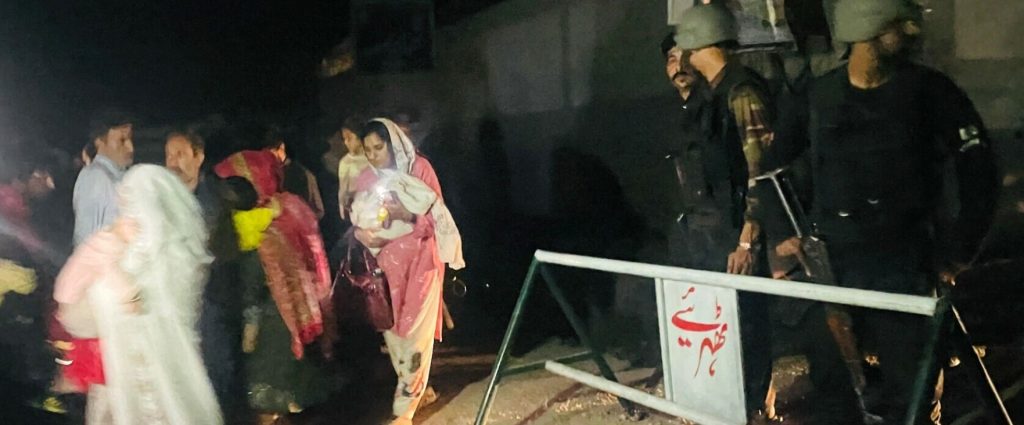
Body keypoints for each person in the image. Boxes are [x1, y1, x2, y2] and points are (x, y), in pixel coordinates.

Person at [774, 0, 1000, 422]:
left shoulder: (930, 91)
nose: (912, 33)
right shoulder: (818, 96)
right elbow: (772, 170)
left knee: (912, 394)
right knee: (832, 388)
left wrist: (958, 251)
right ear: (868, 30)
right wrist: (782, 235)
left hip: (905, 264)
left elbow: (979, 171)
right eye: (900, 25)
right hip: (835, 265)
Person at [54, 165, 222, 425]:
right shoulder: (181, 258)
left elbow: (78, 318)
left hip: (132, 386)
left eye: (129, 202)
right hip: (176, 378)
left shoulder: (129, 262)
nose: (125, 213)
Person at [673, 3, 775, 418]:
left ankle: (751, 409)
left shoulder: (741, 92)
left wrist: (748, 239)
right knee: (723, 330)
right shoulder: (713, 94)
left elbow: (761, 171)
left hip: (738, 235)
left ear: (700, 44)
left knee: (747, 328)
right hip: (716, 234)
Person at [352, 118, 464, 425]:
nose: (373, 155)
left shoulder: (420, 169)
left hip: (421, 264)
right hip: (386, 270)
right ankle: (417, 390)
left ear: (393, 144)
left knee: (415, 334)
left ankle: (404, 410)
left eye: (379, 147)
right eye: (367, 150)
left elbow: (435, 217)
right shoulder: (366, 178)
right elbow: (358, 219)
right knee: (395, 335)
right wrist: (365, 233)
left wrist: (407, 215)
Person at [214, 151, 338, 421]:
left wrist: (250, 329)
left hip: (268, 325)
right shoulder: (281, 212)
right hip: (290, 315)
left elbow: (252, 289)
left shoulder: (246, 236)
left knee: (266, 394)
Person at [164, 130, 245, 418]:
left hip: (212, 300)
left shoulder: (213, 196)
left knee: (215, 371)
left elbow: (203, 246)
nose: (172, 162)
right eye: (168, 155)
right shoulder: (166, 198)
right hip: (179, 302)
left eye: (180, 154)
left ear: (199, 157)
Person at [73, 110, 134, 246]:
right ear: (99, 141)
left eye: (131, 139)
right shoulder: (95, 177)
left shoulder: (121, 177)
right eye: (122, 140)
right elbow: (85, 240)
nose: (130, 148)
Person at [261, 127, 326, 220]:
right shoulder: (266, 171)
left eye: (271, 154)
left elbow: (313, 209)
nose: (268, 158)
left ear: (282, 147)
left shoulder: (299, 173)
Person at [336, 116, 370, 221]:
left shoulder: (372, 156)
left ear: (360, 138)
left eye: (349, 138)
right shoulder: (346, 162)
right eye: (344, 139)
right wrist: (344, 208)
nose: (346, 142)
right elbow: (343, 190)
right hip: (357, 210)